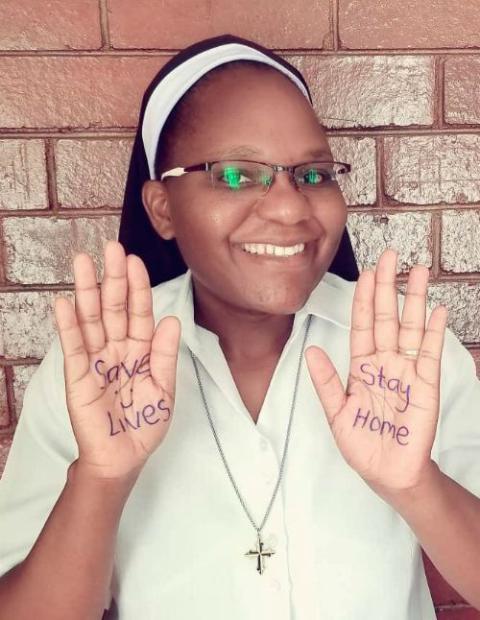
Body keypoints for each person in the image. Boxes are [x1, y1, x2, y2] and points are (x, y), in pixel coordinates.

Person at [0, 33, 479, 620]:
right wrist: (100, 478)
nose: (288, 207)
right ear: (162, 208)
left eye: (312, 175)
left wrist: (416, 485)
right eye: (234, 175)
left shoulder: (411, 356)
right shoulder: (94, 373)